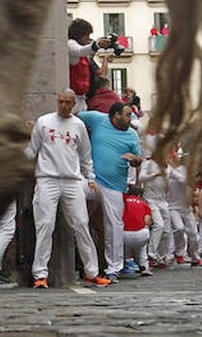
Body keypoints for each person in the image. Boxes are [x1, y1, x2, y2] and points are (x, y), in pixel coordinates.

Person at [24, 89, 111, 288]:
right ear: (57, 101)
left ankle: (92, 272)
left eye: (67, 103)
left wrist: (90, 177)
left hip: (72, 181)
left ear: (73, 104)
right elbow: (32, 150)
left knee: (81, 224)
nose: (63, 106)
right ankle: (40, 274)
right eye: (61, 102)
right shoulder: (44, 122)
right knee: (45, 226)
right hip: (47, 179)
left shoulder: (79, 125)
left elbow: (85, 155)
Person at [80, 101, 144, 282]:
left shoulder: (132, 135)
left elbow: (139, 158)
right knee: (73, 195)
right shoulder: (97, 119)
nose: (130, 118)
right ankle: (86, 264)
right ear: (115, 115)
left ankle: (114, 268)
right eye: (127, 115)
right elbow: (75, 118)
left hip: (114, 186)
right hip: (90, 180)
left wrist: (135, 160)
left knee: (114, 227)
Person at [67, 18, 113, 113]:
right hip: (74, 97)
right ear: (79, 34)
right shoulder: (71, 45)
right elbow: (79, 50)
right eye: (87, 35)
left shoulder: (84, 55)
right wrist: (96, 45)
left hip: (82, 98)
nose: (88, 38)